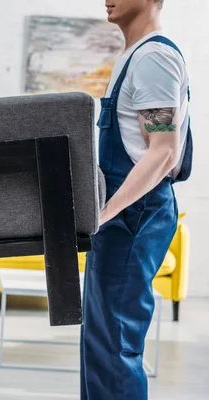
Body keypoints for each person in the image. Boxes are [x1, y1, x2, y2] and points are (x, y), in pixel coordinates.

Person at [81, 0, 193, 399]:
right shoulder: (134, 55)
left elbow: (163, 151)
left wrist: (104, 211)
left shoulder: (154, 57)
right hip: (121, 217)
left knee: (116, 345)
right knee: (101, 341)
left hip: (134, 216)